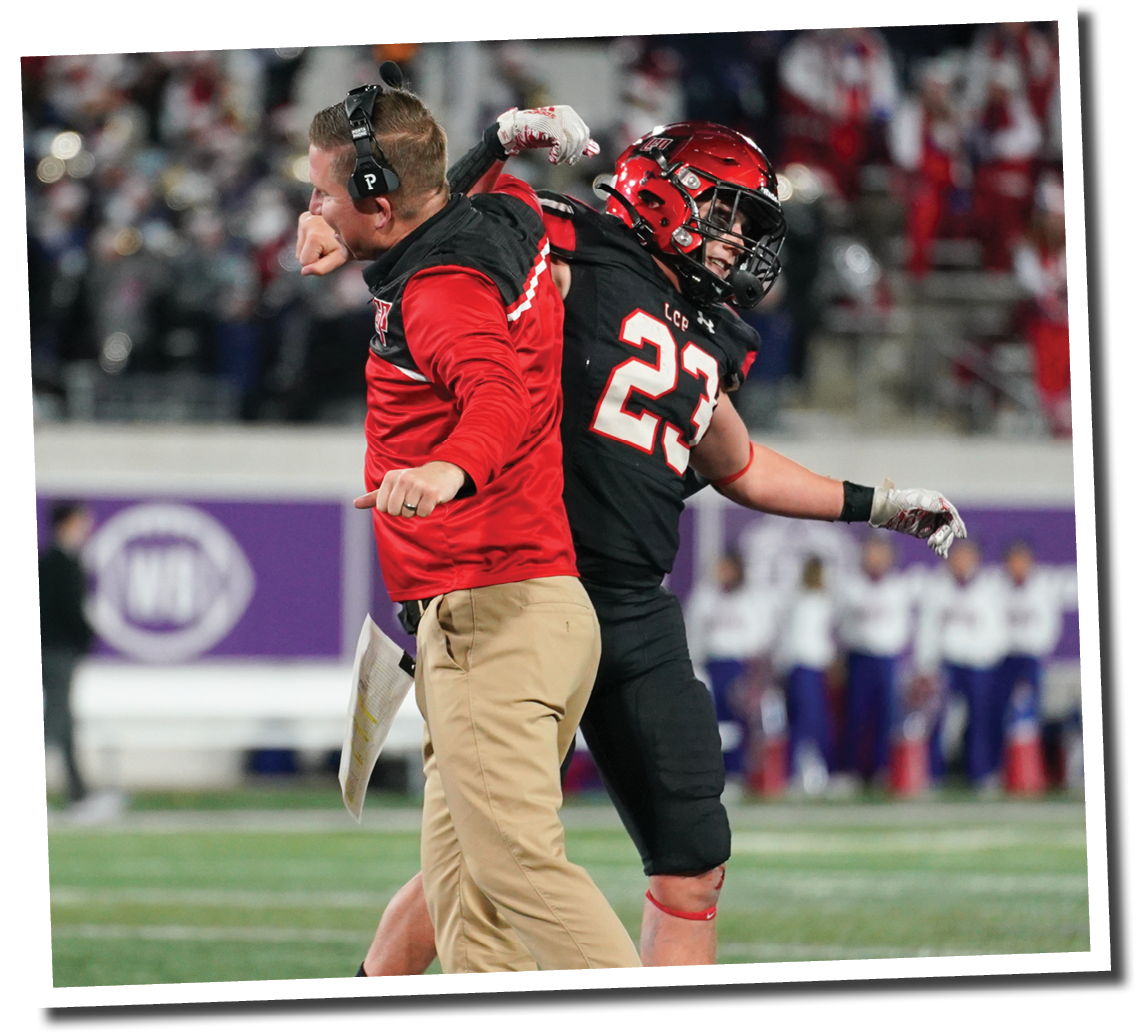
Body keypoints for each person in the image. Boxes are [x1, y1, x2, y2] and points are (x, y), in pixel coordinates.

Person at [300, 109, 966, 972]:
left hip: (626, 601)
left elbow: (742, 464)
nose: (736, 240)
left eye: (747, 224)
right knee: (481, 849)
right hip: (527, 575)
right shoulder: (576, 242)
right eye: (725, 213)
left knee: (688, 854)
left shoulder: (710, 330)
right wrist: (394, 197)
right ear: (664, 192)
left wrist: (877, 504)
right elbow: (439, 217)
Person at [301, 75, 640, 973]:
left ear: (378, 196)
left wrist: (450, 466)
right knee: (471, 917)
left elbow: (496, 393)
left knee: (521, 876)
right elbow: (458, 182)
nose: (313, 206)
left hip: (494, 616)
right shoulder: (502, 207)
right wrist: (500, 136)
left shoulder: (443, 291)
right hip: (522, 611)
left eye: (324, 192)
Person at [913, 538, 1008, 788]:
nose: (962, 561)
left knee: (979, 721)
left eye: (967, 555)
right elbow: (927, 629)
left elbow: (998, 630)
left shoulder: (989, 588)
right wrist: (925, 664)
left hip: (978, 665)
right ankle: (931, 774)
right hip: (947, 663)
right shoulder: (937, 587)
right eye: (958, 555)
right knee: (938, 721)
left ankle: (980, 773)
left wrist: (988, 656)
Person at [834, 534, 919, 786]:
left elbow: (906, 626)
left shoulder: (898, 586)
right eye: (871, 551)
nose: (875, 557)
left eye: (880, 552)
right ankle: (848, 770)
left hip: (886, 657)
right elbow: (838, 624)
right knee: (854, 716)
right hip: (859, 656)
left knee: (885, 716)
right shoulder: (850, 585)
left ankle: (881, 768)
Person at [686, 549, 776, 781]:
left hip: (740, 666)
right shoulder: (705, 596)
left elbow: (760, 638)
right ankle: (713, 771)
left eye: (726, 567)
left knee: (739, 720)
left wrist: (755, 675)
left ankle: (737, 770)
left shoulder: (750, 598)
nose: (720, 572)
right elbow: (692, 632)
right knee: (711, 721)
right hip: (711, 666)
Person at [39, 501, 94, 807]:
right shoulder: (57, 564)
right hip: (56, 651)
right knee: (56, 718)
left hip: (59, 649)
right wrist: (84, 637)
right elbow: (70, 611)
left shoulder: (56, 562)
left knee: (65, 719)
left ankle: (78, 792)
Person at [773, 555, 837, 792]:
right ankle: (794, 772)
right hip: (803, 666)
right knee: (804, 721)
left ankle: (816, 771)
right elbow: (801, 639)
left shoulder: (821, 600)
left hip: (812, 667)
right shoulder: (804, 602)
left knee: (817, 721)